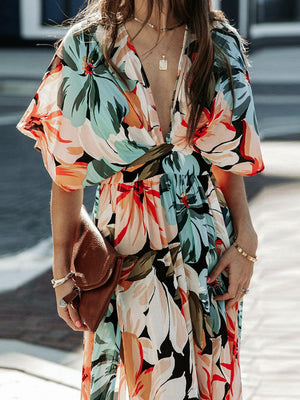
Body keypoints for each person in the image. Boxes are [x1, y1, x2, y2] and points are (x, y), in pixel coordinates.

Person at [17, 0, 264, 398]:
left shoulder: (219, 44)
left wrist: (246, 240)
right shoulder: (87, 46)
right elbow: (68, 173)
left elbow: (228, 163)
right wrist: (62, 271)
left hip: (205, 246)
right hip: (127, 249)